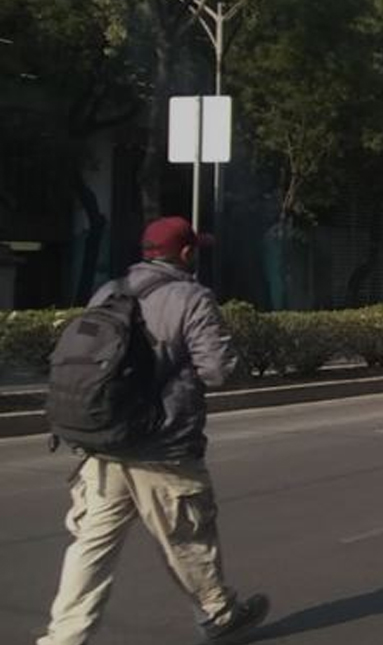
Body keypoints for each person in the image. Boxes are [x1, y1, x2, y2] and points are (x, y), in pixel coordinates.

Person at [38, 216, 269, 645]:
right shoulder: (191, 297)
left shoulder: (108, 291)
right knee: (187, 539)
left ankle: (63, 638)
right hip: (162, 448)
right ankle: (219, 615)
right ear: (185, 254)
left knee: (90, 547)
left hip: (103, 444)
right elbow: (218, 372)